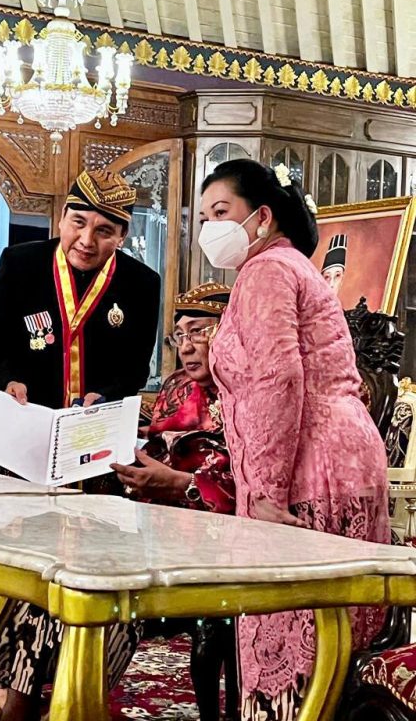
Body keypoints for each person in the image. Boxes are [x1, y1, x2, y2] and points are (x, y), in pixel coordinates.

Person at [198, 158, 389, 720]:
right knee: (331, 648)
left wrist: (267, 491)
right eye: (203, 217)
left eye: (221, 212)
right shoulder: (289, 266)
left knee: (291, 653)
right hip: (341, 460)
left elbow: (277, 380)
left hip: (308, 468)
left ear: (261, 217)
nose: (210, 228)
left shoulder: (267, 271)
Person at [112, 282, 237, 721]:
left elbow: (255, 483)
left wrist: (182, 485)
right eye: (179, 336)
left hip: (236, 536)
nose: (186, 347)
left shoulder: (251, 392)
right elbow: (156, 451)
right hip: (169, 529)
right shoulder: (177, 388)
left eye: (198, 332)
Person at [0, 168, 161, 412]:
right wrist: (7, 381)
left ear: (122, 235)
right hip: (25, 413)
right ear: (63, 216)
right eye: (78, 222)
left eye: (103, 231)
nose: (86, 240)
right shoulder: (19, 264)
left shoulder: (142, 283)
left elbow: (136, 366)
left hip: (96, 421)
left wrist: (108, 395)